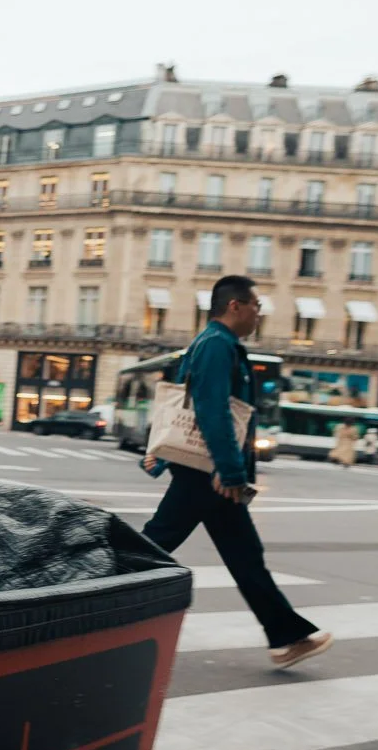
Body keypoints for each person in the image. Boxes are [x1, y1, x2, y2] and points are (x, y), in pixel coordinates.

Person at [140, 274, 332, 670]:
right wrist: (229, 472)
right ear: (235, 306)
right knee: (151, 547)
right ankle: (83, 586)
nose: (259, 315)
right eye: (256, 307)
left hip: (209, 474)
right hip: (208, 475)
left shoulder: (222, 345)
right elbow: (211, 412)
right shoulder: (216, 346)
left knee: (239, 557)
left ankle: (286, 636)